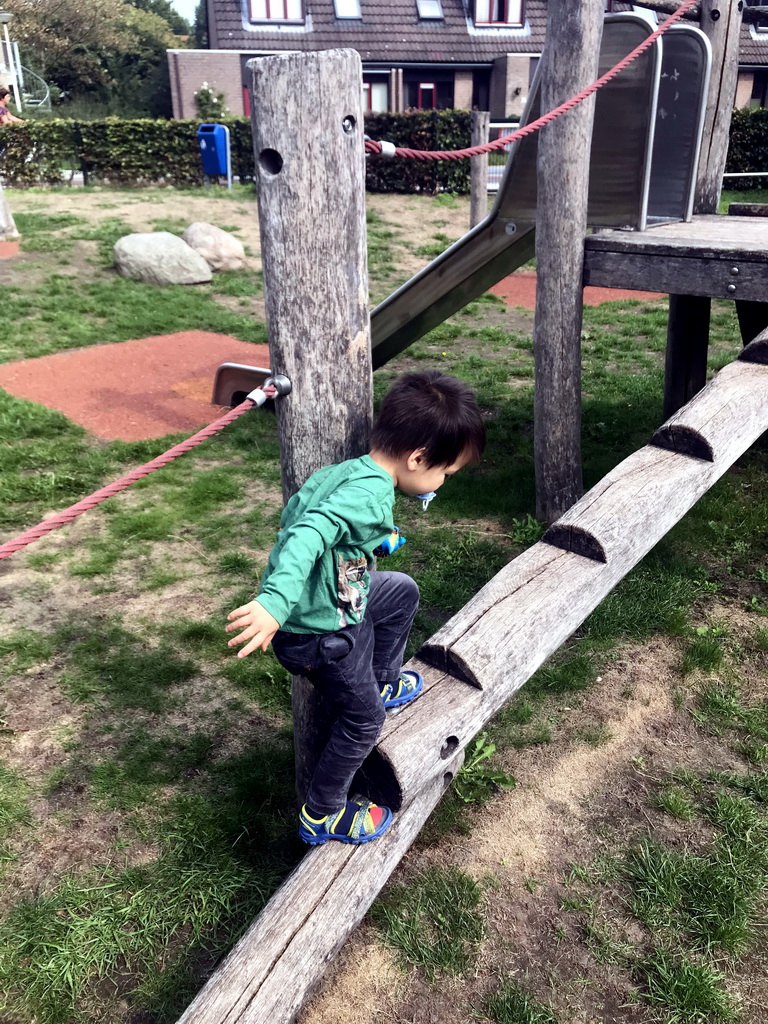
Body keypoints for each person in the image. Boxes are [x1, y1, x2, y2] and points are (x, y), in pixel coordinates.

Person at [225, 370, 486, 846]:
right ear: (418, 458)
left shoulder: (353, 473)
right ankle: (323, 812)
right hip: (319, 633)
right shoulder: (368, 494)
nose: (442, 482)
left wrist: (375, 541)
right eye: (445, 473)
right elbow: (307, 531)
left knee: (401, 590)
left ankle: (384, 682)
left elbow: (319, 518)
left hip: (339, 598)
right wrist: (276, 602)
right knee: (364, 720)